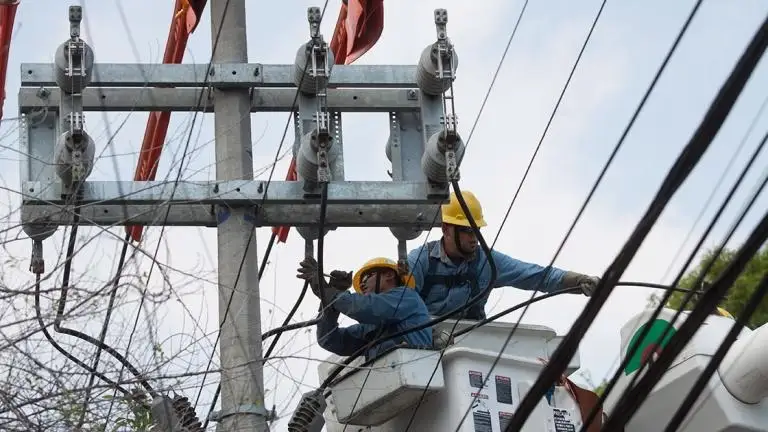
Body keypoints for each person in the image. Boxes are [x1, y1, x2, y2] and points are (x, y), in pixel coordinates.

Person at [407, 190, 601, 320]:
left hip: (469, 346)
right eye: (467, 231)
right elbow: (402, 305)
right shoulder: (421, 261)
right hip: (422, 347)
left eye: (477, 230)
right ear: (447, 229)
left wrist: (578, 282)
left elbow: (536, 276)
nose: (474, 238)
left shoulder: (487, 262)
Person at [297, 256, 433, 360]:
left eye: (368, 276)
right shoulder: (370, 327)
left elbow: (363, 307)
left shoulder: (407, 297)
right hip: (387, 384)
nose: (362, 283)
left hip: (415, 372)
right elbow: (329, 339)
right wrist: (329, 302)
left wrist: (328, 291)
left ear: (389, 275)